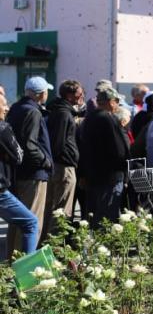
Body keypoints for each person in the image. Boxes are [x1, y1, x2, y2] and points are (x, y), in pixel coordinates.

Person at [7, 76, 54, 249]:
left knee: (18, 221)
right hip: (33, 174)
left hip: (18, 172)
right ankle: (24, 267)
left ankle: (11, 264)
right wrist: (46, 161)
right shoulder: (32, 111)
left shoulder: (16, 108)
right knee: (32, 222)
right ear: (41, 94)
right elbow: (29, 145)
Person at [78, 88, 130, 225]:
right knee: (108, 214)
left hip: (93, 174)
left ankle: (94, 243)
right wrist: (124, 169)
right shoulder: (108, 118)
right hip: (110, 175)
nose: (118, 104)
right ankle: (105, 244)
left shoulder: (89, 118)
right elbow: (119, 149)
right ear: (111, 102)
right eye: (117, 101)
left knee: (95, 213)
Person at [0, 94, 39, 257]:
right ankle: (28, 274)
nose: (7, 107)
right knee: (30, 222)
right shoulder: (2, 127)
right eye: (4, 104)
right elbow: (19, 156)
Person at [45, 80, 83, 231]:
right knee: (62, 209)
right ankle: (56, 246)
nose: (81, 96)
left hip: (62, 165)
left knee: (56, 207)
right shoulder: (63, 114)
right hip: (63, 167)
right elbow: (57, 143)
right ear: (69, 95)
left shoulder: (62, 111)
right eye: (79, 93)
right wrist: (68, 157)